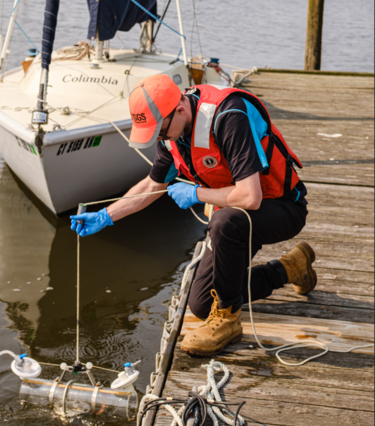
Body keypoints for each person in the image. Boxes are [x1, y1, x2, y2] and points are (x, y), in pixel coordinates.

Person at [70, 74, 317, 357]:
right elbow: (152, 185)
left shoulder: (227, 117)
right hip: (239, 213)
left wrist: (197, 194)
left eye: (160, 132)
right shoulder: (172, 134)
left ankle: (228, 321)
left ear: (179, 110)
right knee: (201, 304)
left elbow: (250, 197)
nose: (159, 139)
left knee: (223, 222)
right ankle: (289, 268)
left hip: (281, 207)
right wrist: (105, 216)